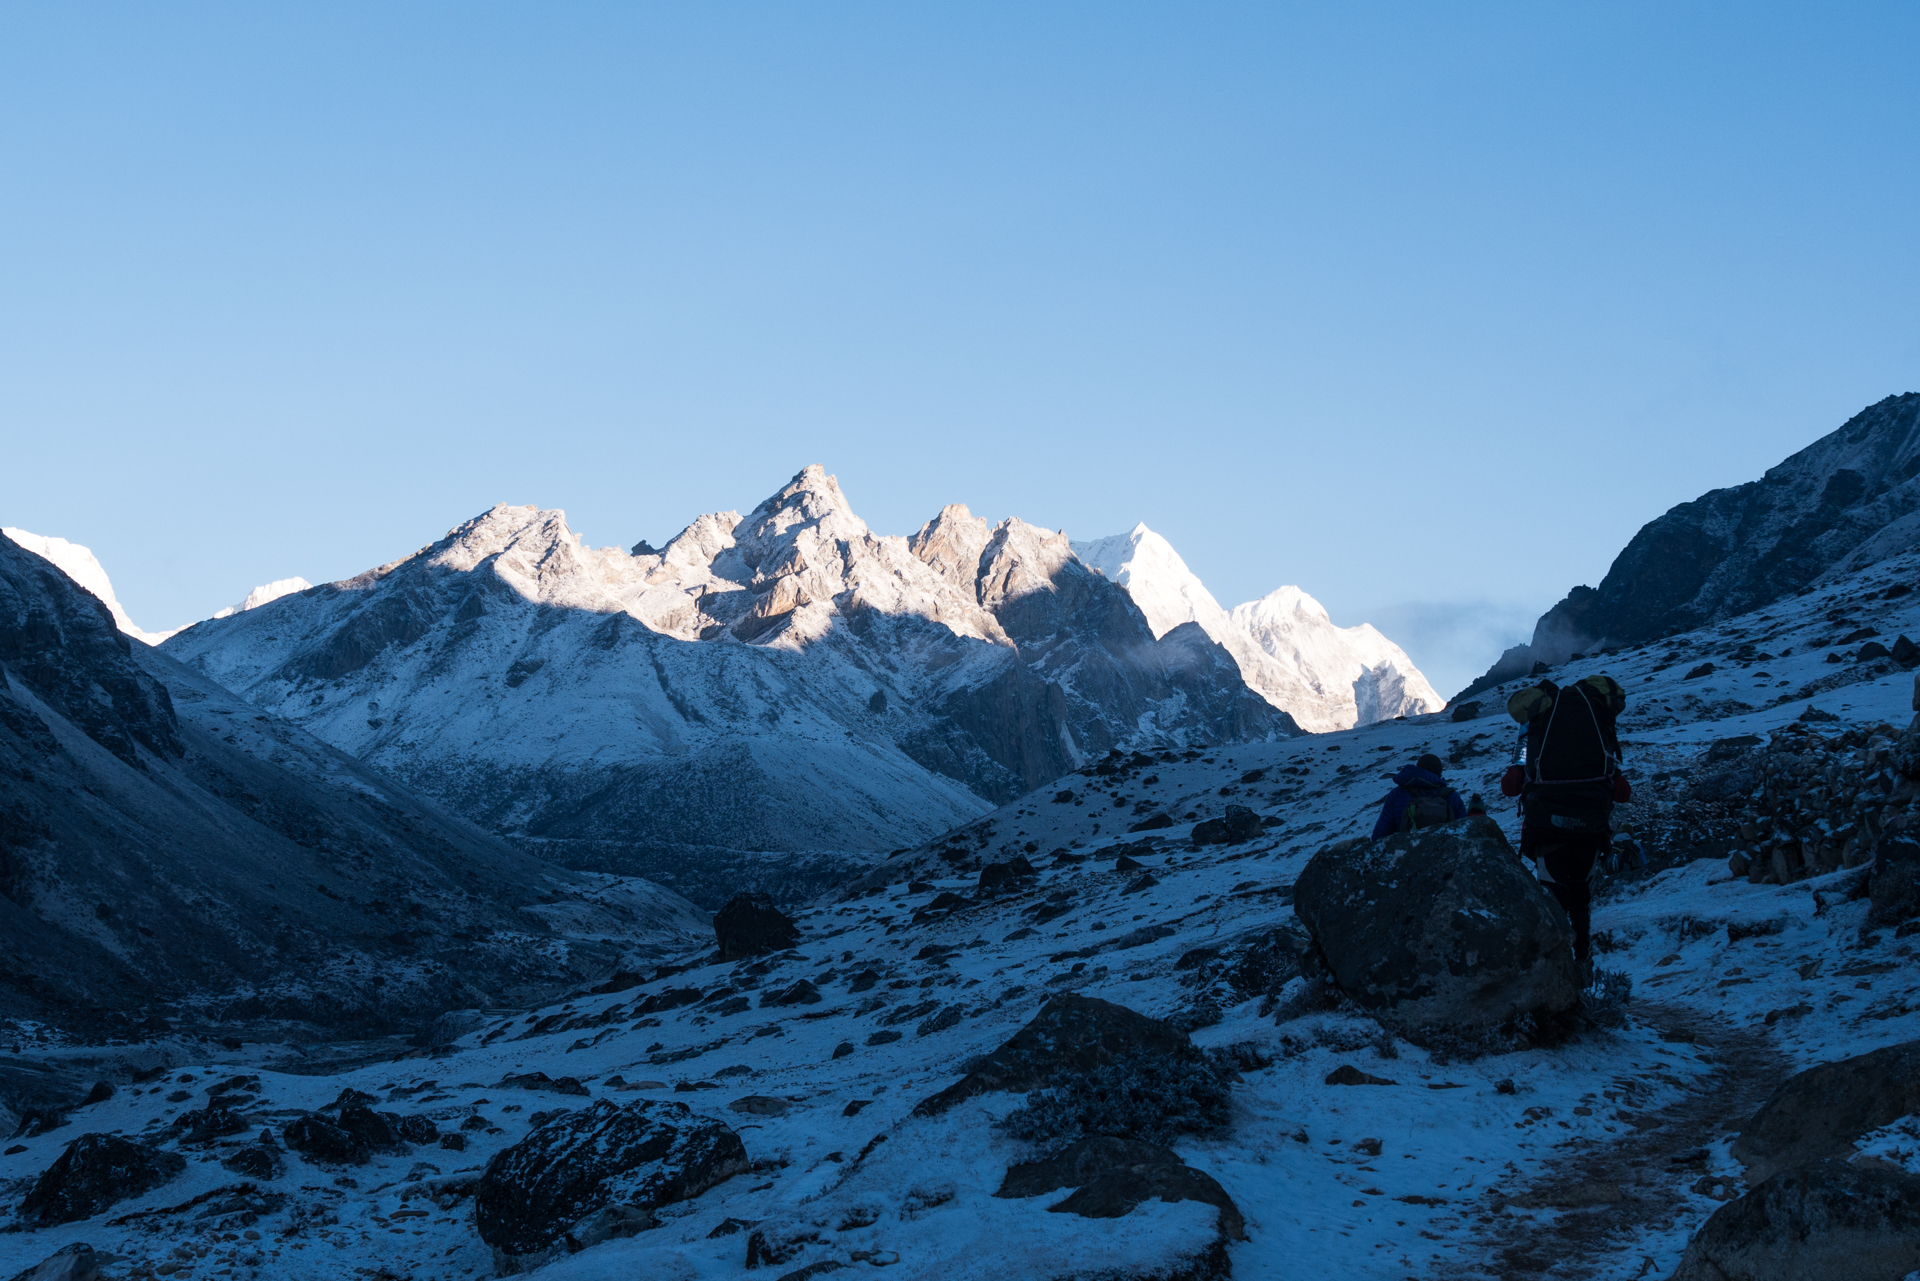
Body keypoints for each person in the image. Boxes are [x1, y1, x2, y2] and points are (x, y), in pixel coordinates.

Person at [1499, 675, 1632, 972]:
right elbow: (1623, 794)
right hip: (1590, 832)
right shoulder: (1599, 752)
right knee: (1581, 900)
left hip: (1547, 832)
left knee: (1553, 898)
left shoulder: (1537, 742)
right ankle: (1582, 961)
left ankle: (1554, 969)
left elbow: (1510, 786)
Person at [1371, 753, 1467, 838]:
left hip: (1405, 853)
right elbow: (1464, 829)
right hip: (1444, 853)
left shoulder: (1396, 794)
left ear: (1418, 768)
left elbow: (1380, 833)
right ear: (1439, 772)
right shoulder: (1450, 796)